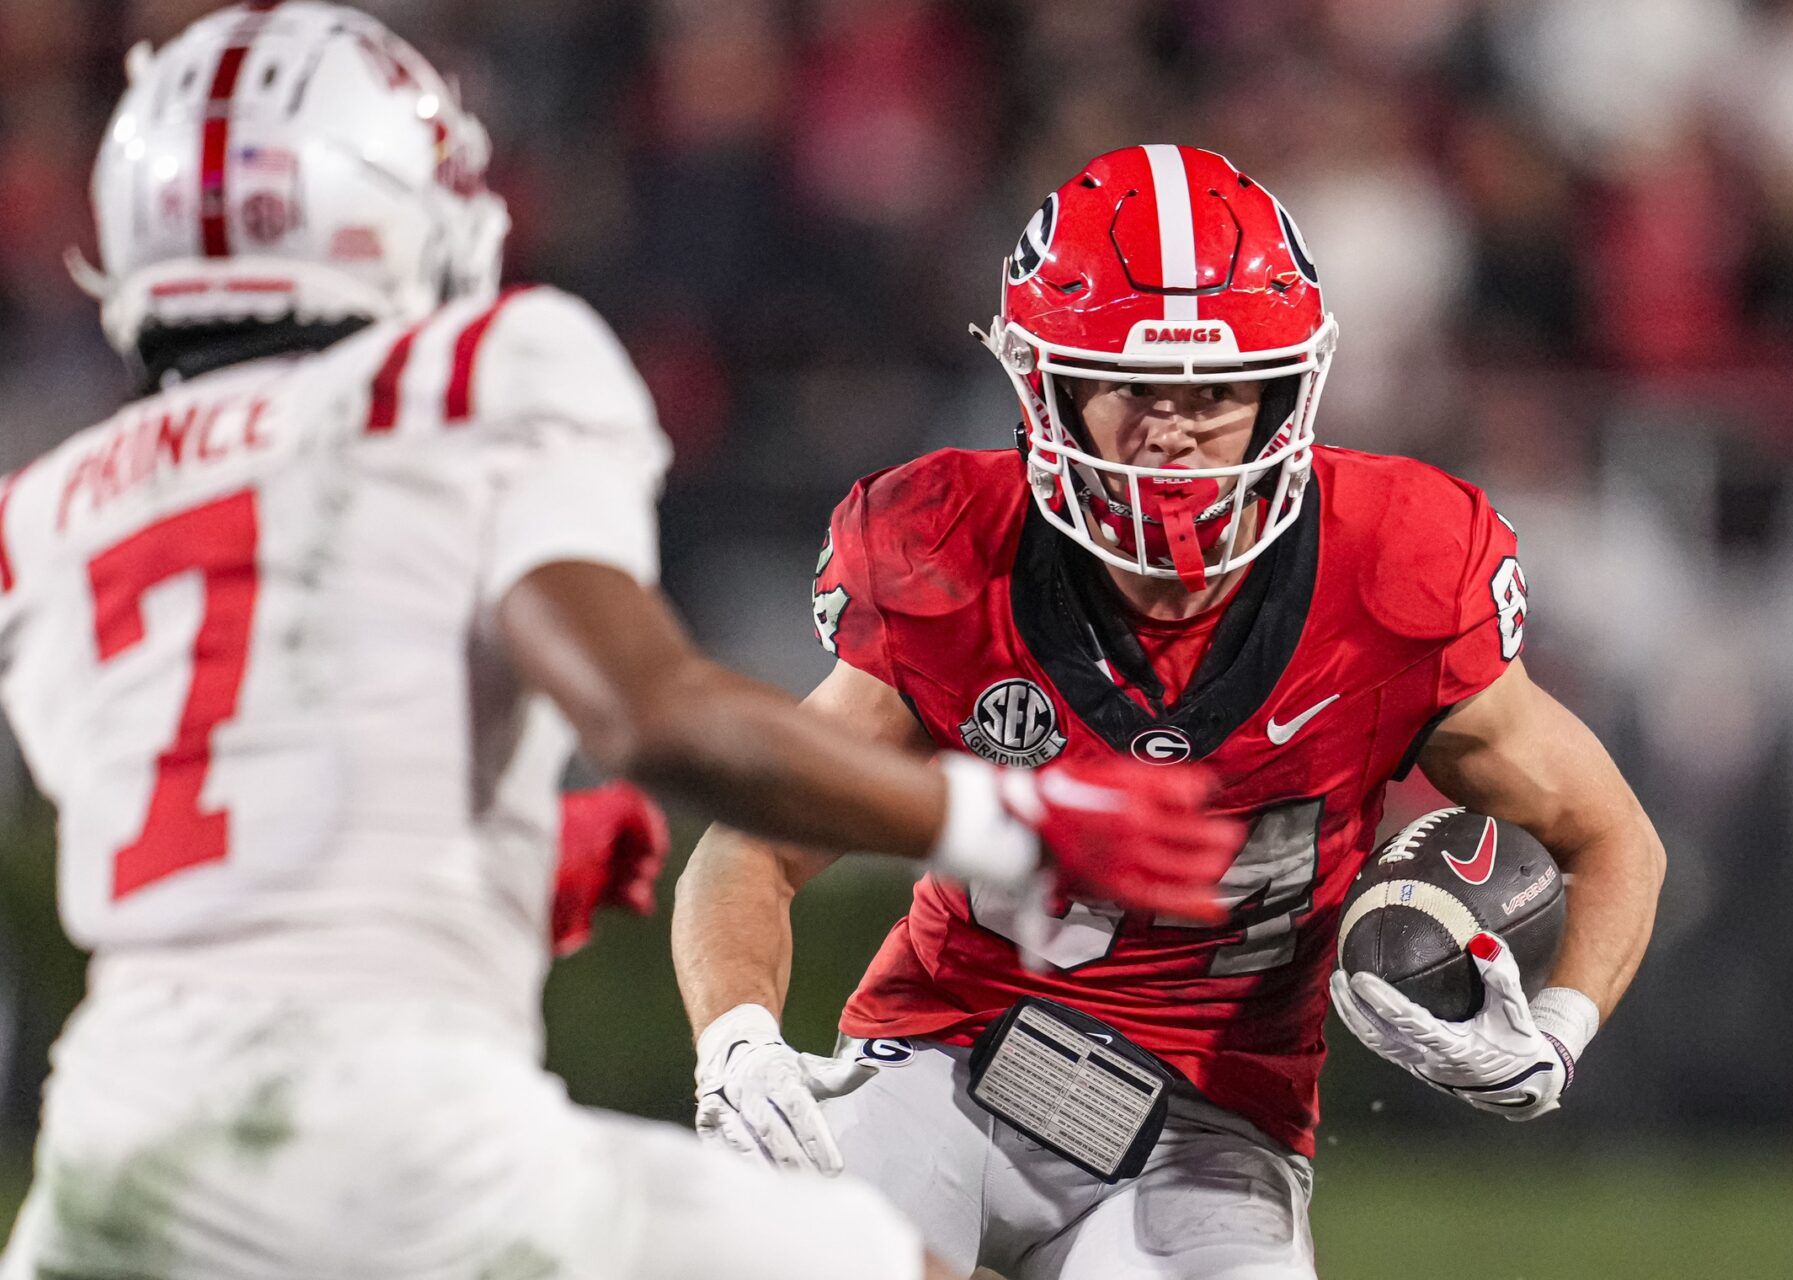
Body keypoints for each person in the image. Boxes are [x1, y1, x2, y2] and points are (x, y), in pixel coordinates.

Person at [0, 11, 1245, 1280]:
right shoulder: (478, 373)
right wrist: (1005, 826)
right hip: (390, 1144)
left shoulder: (49, 508)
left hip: (108, 1158)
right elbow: (651, 715)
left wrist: (496, 863)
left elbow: (215, 852)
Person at [673, 144, 1668, 1279]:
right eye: (1131, 386)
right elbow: (751, 844)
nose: (1174, 429)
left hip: (1210, 1126)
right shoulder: (950, 553)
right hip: (945, 1058)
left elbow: (1610, 836)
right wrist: (738, 1038)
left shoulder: (1396, 564)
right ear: (1044, 387)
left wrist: (1558, 1029)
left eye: (1216, 389)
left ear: (1287, 389)